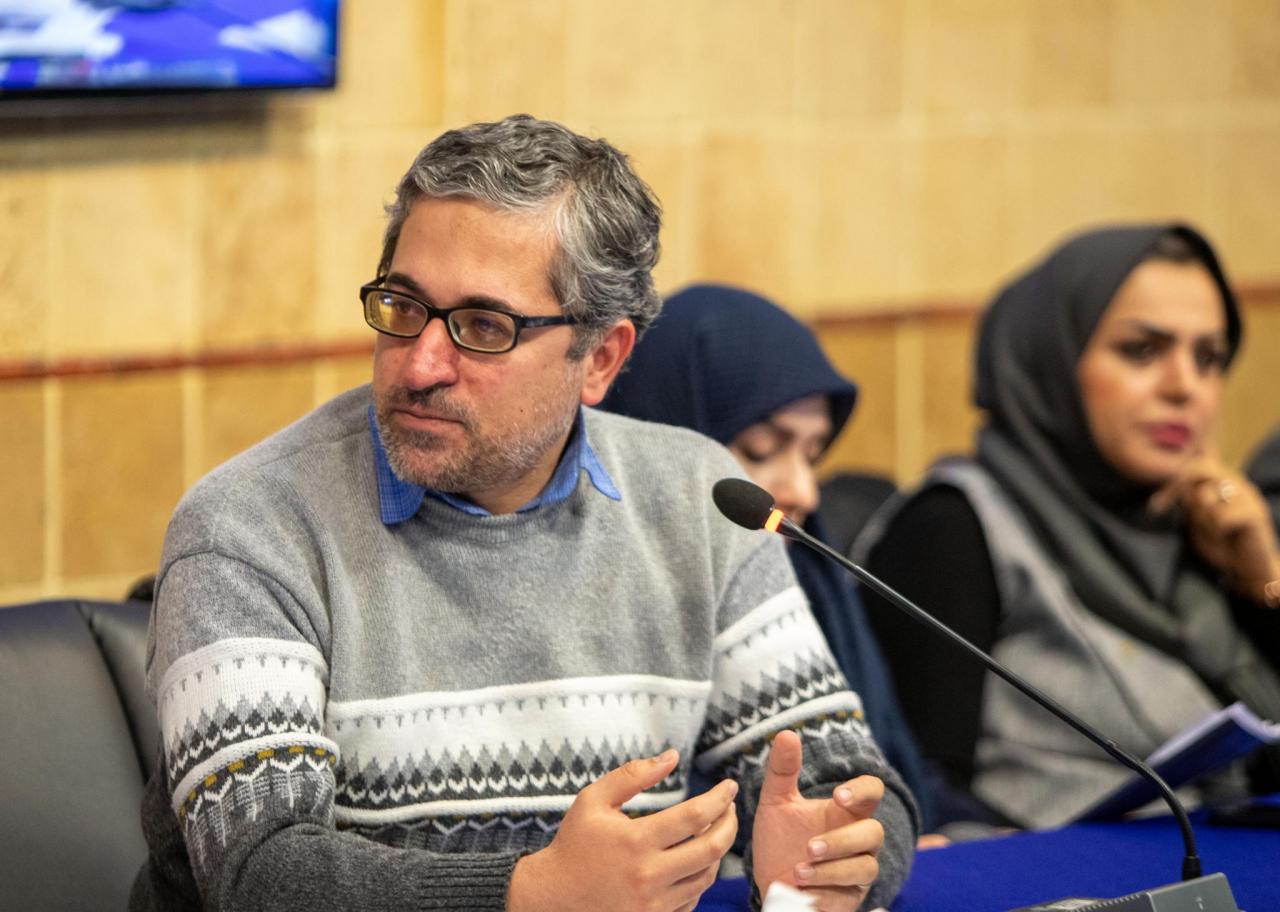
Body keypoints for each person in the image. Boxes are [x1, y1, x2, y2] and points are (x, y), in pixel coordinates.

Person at [130, 115, 918, 912]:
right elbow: (261, 875)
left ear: (600, 359)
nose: (421, 364)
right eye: (403, 305)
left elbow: (851, 787)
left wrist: (828, 860)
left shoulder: (698, 498)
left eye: (482, 327)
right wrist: (527, 894)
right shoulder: (249, 526)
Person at [854, 223, 1280, 829]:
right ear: (1049, 359)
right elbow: (919, 803)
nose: (1185, 387)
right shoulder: (953, 528)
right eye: (1142, 351)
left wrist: (1264, 582)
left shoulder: (1199, 528)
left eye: (1208, 358)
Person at [602, 283, 995, 842]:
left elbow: (891, 774)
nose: (805, 491)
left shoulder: (814, 576)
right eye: (763, 449)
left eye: (813, 454)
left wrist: (906, 831)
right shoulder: (609, 594)